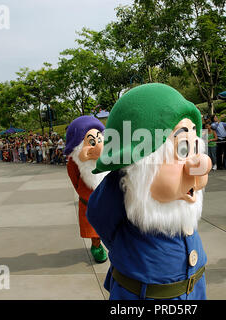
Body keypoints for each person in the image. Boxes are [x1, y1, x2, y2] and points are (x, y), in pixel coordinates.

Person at [87, 83, 210, 300]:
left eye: (195, 149)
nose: (200, 164)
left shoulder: (180, 204)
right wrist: (125, 249)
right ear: (139, 165)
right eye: (182, 150)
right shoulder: (123, 186)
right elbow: (99, 217)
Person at [65, 116, 109, 263]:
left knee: (112, 223)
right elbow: (75, 180)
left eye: (99, 138)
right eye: (91, 141)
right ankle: (96, 246)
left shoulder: (108, 156)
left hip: (108, 197)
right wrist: (84, 193)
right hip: (89, 200)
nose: (98, 145)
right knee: (93, 228)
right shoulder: (73, 162)